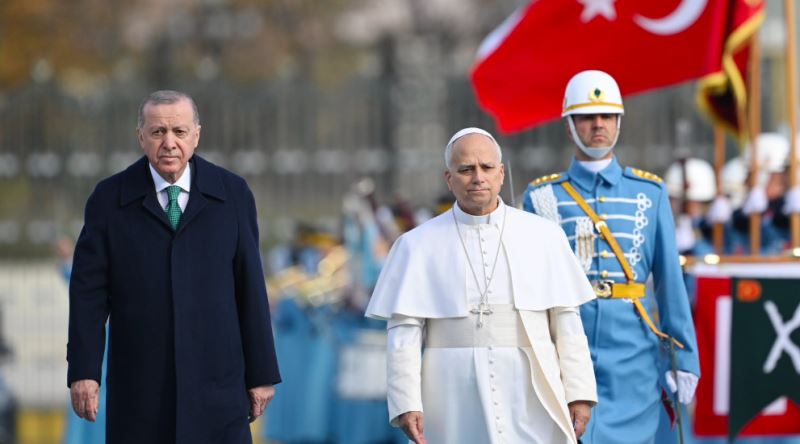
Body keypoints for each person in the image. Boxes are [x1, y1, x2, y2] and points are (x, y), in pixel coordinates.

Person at [67, 90, 281, 443]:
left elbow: (250, 287)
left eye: (179, 132)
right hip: (140, 387)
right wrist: (84, 371)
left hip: (218, 385)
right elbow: (88, 294)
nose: (169, 143)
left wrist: (261, 373)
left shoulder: (233, 194)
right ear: (141, 137)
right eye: (157, 132)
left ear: (196, 135)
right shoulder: (108, 199)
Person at [366, 127, 598, 444]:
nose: (478, 177)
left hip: (529, 391)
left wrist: (580, 393)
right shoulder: (415, 245)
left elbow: (568, 325)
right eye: (466, 169)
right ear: (449, 178)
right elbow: (403, 333)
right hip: (450, 396)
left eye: (487, 168)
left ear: (501, 173)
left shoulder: (544, 236)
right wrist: (406, 401)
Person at [523, 70, 700, 444]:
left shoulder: (649, 192)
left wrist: (684, 356)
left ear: (619, 121)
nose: (598, 125)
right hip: (564, 352)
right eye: (587, 116)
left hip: (633, 356)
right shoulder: (540, 197)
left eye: (607, 116)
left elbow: (670, 283)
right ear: (570, 125)